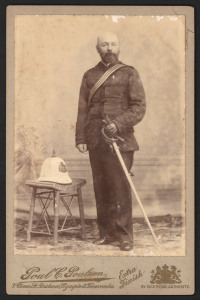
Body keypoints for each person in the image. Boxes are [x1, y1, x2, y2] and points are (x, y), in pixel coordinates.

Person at [75, 32, 146, 251]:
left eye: (113, 44)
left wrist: (118, 123)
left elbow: (139, 107)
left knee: (119, 188)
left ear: (119, 47)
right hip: (96, 139)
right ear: (98, 48)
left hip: (121, 139)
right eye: (104, 44)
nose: (109, 48)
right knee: (101, 189)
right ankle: (106, 234)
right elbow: (82, 110)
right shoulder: (89, 76)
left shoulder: (129, 73)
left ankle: (124, 237)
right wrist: (81, 138)